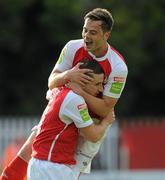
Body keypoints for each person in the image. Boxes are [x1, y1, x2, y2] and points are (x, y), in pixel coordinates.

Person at [0, 7, 128, 179]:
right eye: (85, 30)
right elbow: (51, 82)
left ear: (106, 35)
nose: (86, 36)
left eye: (93, 32)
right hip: (66, 109)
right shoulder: (73, 47)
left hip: (91, 119)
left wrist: (79, 92)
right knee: (36, 140)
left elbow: (105, 109)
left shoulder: (118, 67)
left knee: (75, 169)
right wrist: (67, 75)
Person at [27, 60, 113, 180]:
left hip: (45, 165)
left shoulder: (61, 90)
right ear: (82, 81)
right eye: (97, 84)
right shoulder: (74, 100)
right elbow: (93, 136)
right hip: (52, 167)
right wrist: (106, 122)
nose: (100, 90)